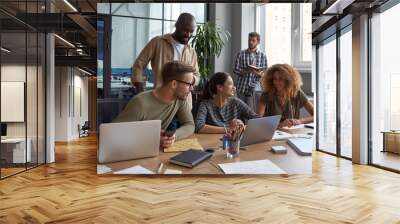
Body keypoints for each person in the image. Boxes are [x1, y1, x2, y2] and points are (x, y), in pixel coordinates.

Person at [114, 61, 196, 149]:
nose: (192, 88)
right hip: (133, 152)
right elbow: (115, 133)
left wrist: (173, 137)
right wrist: (151, 138)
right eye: (189, 84)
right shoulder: (140, 103)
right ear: (174, 84)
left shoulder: (179, 100)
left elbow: (190, 125)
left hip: (152, 152)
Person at [131, 13, 199, 94]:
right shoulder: (157, 42)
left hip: (184, 102)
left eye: (191, 31)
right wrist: (141, 92)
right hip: (161, 99)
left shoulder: (191, 52)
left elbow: (197, 76)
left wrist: (190, 79)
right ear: (177, 25)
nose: (188, 34)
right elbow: (138, 65)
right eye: (185, 30)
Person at [256, 64, 314, 128]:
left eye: (280, 79)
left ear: (288, 80)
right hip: (271, 132)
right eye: (275, 79)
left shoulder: (297, 92)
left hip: (292, 133)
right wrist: (280, 125)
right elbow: (257, 121)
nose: (276, 82)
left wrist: (300, 121)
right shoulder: (266, 94)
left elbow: (316, 115)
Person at [233, 32, 268, 111]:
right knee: (240, 111)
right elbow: (235, 70)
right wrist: (247, 70)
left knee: (253, 111)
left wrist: (257, 73)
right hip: (242, 87)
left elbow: (265, 73)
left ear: (258, 42)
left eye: (253, 40)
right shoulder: (241, 54)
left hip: (256, 88)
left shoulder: (263, 56)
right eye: (249, 40)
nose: (250, 42)